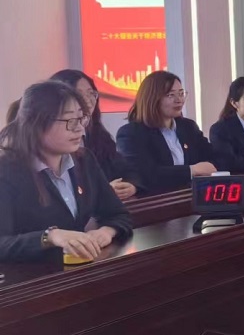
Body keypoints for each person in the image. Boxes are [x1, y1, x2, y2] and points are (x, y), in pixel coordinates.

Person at [0, 81, 133, 262]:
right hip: (29, 276)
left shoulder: (84, 160)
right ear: (37, 123)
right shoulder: (6, 170)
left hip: (77, 269)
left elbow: (118, 214)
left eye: (81, 119)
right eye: (70, 121)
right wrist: (50, 237)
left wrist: (106, 231)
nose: (80, 129)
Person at [116, 71, 222, 194]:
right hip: (158, 201)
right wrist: (191, 170)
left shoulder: (188, 127)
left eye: (181, 93)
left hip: (193, 196)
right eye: (171, 95)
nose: (179, 100)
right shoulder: (131, 133)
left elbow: (213, 158)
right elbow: (145, 174)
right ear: (152, 98)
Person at [49, 68, 139, 200]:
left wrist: (131, 185)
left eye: (91, 93)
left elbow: (126, 169)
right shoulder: (55, 141)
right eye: (80, 94)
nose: (88, 99)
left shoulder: (100, 135)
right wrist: (105, 190)